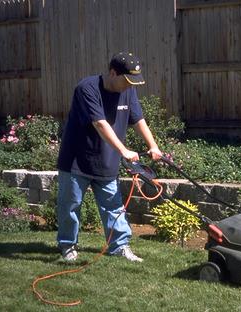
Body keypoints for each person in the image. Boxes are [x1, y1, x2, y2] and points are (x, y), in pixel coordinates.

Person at [56, 52, 162, 262]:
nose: (130, 85)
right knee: (70, 204)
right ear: (113, 73)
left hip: (106, 161)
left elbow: (138, 119)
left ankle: (119, 246)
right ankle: (67, 245)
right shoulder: (87, 88)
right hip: (76, 159)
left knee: (113, 206)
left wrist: (153, 145)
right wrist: (123, 151)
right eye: (127, 80)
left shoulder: (128, 90)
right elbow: (100, 123)